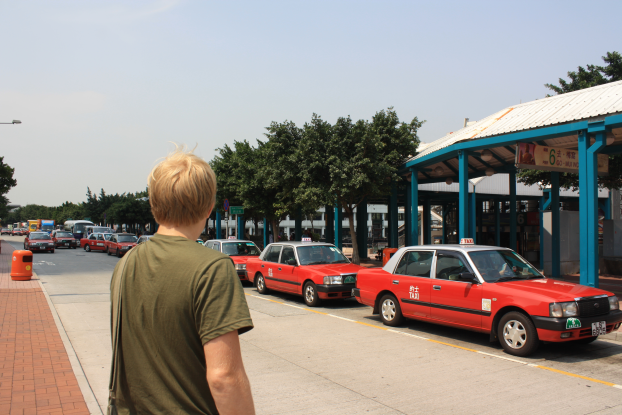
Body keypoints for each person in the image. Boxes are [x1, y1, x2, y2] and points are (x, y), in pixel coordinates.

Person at [108, 145, 255, 414]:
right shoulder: (213, 268)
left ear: (154, 206)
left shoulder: (126, 264)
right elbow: (224, 378)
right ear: (209, 207)